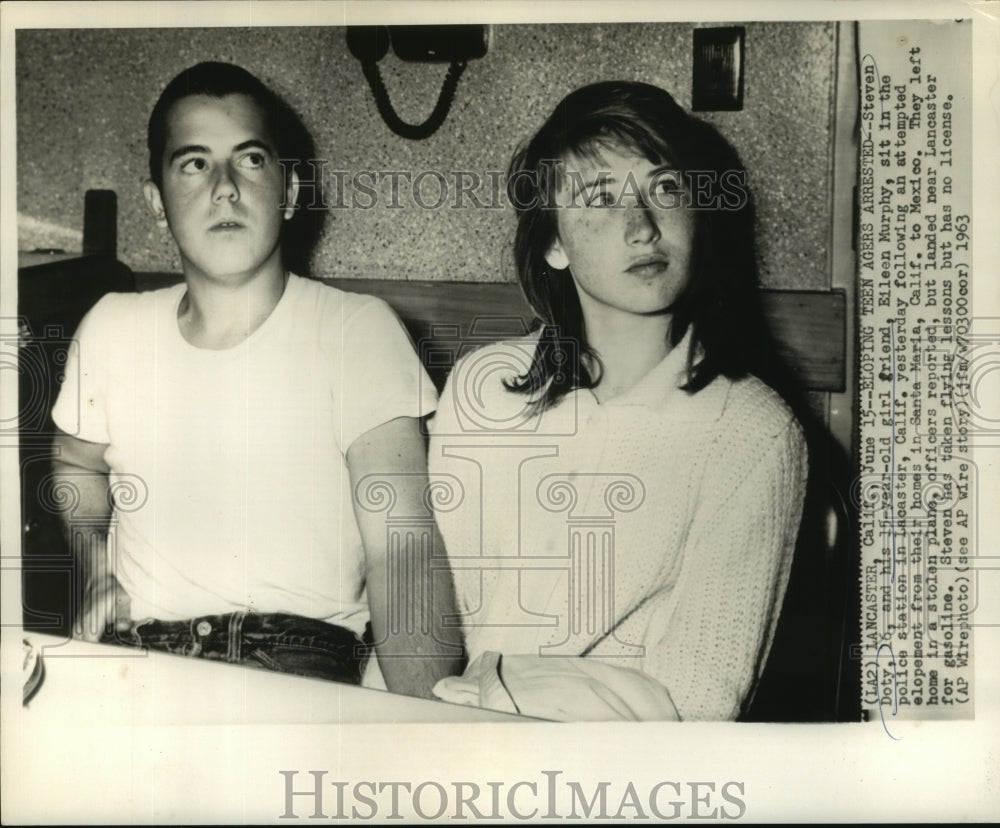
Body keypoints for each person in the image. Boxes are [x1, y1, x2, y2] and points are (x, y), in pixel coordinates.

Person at [49, 62, 463, 698]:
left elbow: (402, 550)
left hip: (296, 662)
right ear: (156, 202)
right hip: (138, 661)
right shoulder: (110, 327)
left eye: (249, 160)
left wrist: (429, 731)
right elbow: (76, 463)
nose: (223, 188)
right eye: (193, 163)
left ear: (290, 191)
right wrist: (95, 568)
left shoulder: (358, 332)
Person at [428, 81, 808, 721]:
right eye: (601, 197)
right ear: (553, 242)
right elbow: (437, 628)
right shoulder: (481, 388)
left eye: (664, 189)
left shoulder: (754, 432)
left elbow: (697, 704)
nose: (642, 228)